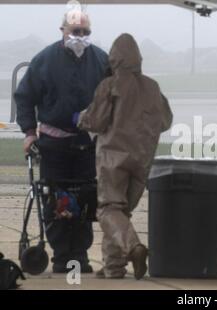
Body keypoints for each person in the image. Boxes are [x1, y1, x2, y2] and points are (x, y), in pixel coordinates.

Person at [14, 11, 109, 273]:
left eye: (84, 33)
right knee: (58, 200)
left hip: (87, 145)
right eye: (75, 32)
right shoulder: (43, 60)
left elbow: (113, 99)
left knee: (86, 200)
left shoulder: (101, 60)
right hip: (54, 145)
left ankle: (79, 255)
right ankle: (61, 256)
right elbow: (24, 97)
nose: (79, 37)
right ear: (62, 30)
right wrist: (29, 132)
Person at [76, 33, 173, 279]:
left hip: (113, 157)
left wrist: (80, 118)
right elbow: (165, 121)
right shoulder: (153, 87)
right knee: (120, 212)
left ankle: (134, 248)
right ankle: (113, 267)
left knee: (108, 209)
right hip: (142, 158)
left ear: (114, 59)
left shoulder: (110, 85)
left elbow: (96, 121)